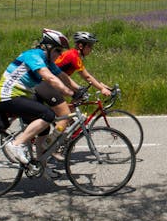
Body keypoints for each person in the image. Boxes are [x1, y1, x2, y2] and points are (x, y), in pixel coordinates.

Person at [0, 28, 83, 165]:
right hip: (9, 96)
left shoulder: (47, 61)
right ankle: (17, 144)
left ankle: (39, 163)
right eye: (58, 51)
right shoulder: (33, 55)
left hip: (21, 96)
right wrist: (70, 92)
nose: (60, 55)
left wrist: (79, 89)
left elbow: (62, 76)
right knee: (48, 115)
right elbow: (50, 78)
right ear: (48, 48)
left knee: (45, 128)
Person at [34, 31, 111, 160]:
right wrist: (101, 88)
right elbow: (86, 76)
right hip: (48, 87)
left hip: (54, 87)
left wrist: (99, 85)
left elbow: (69, 78)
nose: (91, 49)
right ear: (81, 46)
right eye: (89, 46)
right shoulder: (73, 55)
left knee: (71, 111)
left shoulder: (75, 56)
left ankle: (60, 137)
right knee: (64, 117)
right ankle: (50, 145)